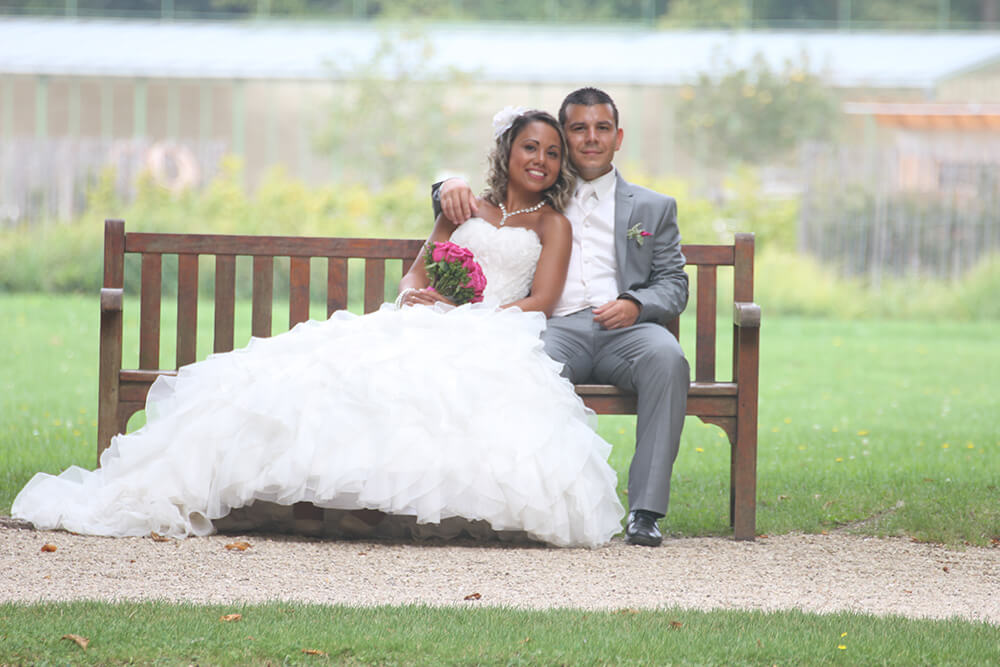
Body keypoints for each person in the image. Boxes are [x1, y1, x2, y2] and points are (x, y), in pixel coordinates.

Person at [11, 109, 626, 548]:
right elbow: (415, 276)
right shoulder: (463, 206)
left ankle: (382, 511)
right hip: (429, 318)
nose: (541, 160)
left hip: (491, 331)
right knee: (333, 370)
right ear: (507, 152)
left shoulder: (552, 226)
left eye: (551, 151)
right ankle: (299, 500)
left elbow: (541, 303)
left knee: (438, 387)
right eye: (530, 148)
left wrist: (471, 314)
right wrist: (422, 298)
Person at [434, 88, 689, 547]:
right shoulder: (542, 192)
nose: (591, 138)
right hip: (551, 327)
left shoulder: (654, 208)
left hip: (627, 331)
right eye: (578, 129)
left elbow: (673, 284)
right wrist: (445, 183)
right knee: (520, 368)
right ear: (565, 138)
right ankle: (523, 503)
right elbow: (488, 198)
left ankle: (646, 512)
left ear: (618, 136)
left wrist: (635, 304)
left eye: (602, 128)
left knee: (667, 358)